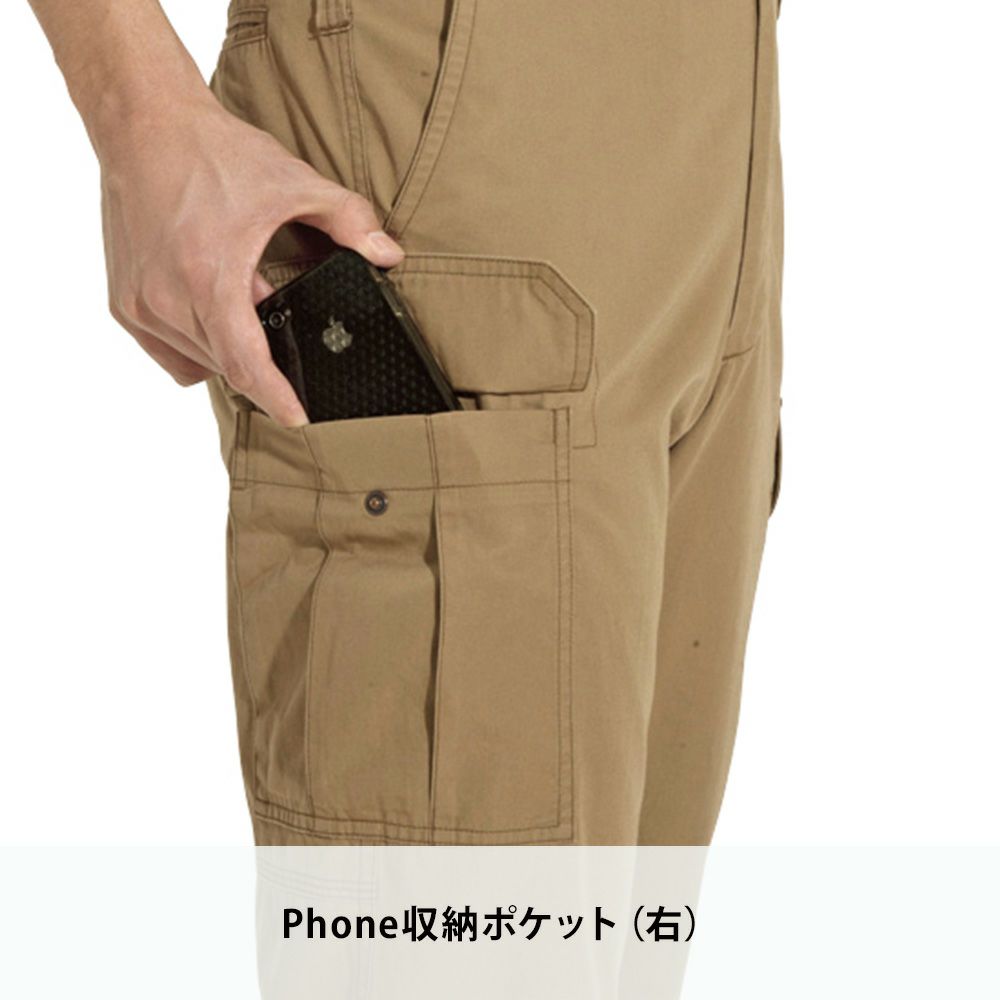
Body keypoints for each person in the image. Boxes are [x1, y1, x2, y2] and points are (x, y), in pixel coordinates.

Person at [29, 0, 784, 847]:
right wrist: (141, 114)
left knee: (632, 914)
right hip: (434, 107)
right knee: (462, 920)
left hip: (723, 122)